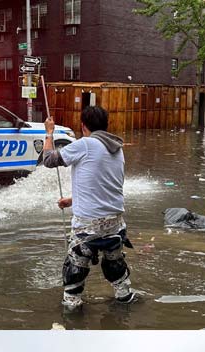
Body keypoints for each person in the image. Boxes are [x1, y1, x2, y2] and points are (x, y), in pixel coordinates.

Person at [40, 106, 136, 311]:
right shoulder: (117, 148)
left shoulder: (85, 144)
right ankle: (125, 301)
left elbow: (48, 160)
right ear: (106, 125)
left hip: (88, 226)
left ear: (83, 126)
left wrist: (49, 132)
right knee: (116, 268)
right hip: (116, 224)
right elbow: (104, 184)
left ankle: (73, 315)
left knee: (74, 272)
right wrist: (73, 200)